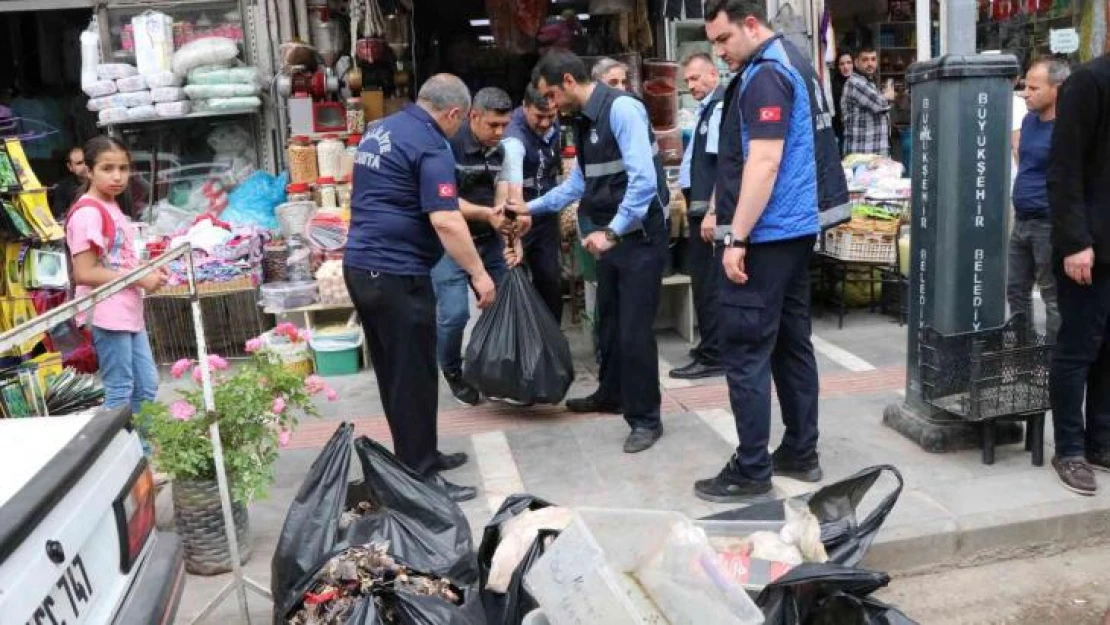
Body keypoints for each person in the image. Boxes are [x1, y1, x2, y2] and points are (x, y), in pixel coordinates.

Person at [344, 74, 495, 502]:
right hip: (395, 274)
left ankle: (417, 456)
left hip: (364, 268)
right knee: (412, 377)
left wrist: (482, 213)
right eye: (460, 121)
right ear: (453, 114)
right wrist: (480, 276)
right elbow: (445, 219)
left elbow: (428, 197)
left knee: (400, 374)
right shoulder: (432, 144)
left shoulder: (384, 130)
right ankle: (421, 477)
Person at [697, 0, 823, 503]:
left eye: (725, 39)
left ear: (751, 24)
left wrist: (738, 236)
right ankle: (800, 451)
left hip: (767, 236)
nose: (720, 51)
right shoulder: (791, 60)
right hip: (792, 232)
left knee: (746, 351)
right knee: (792, 344)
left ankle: (751, 468)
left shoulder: (766, 75)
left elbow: (764, 161)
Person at [527, 50, 670, 453]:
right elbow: (579, 186)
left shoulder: (622, 110)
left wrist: (612, 232)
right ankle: (611, 394)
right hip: (611, 238)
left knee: (634, 331)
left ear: (569, 83)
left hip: (637, 237)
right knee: (607, 322)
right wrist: (530, 208)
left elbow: (643, 182)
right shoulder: (583, 120)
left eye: (552, 95)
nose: (550, 104)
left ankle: (646, 419)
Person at [66, 136, 169, 448]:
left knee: (147, 386)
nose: (117, 176)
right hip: (106, 312)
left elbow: (119, 257)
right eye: (107, 168)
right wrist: (140, 279)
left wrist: (148, 271)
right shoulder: (87, 213)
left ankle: (141, 458)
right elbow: (85, 272)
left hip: (127, 310)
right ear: (89, 171)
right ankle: (120, 463)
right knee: (120, 390)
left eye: (123, 168)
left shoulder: (110, 206)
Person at [433, 87, 529, 406]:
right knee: (454, 315)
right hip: (449, 242)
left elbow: (502, 198)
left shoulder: (500, 151)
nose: (500, 133)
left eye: (505, 125)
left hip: (488, 240)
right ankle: (452, 371)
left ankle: (491, 368)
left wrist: (510, 236)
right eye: (493, 125)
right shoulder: (447, 145)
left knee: (504, 304)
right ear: (473, 116)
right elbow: (444, 202)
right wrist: (487, 214)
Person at [1046, 52, 1110, 496]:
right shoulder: (1088, 82)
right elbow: (1064, 170)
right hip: (1087, 248)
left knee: (1109, 351)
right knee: (1077, 350)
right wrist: (1075, 243)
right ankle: (1069, 448)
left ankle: (1100, 442)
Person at [670, 52, 726, 380]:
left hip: (708, 210)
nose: (690, 85)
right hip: (699, 205)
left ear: (712, 75)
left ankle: (714, 354)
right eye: (687, 80)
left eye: (694, 78)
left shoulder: (718, 110)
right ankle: (710, 346)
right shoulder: (706, 110)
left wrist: (713, 212)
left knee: (708, 285)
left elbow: (724, 166)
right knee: (703, 280)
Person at [1008, 58, 1068, 344]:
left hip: (1048, 222)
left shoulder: (1068, 127)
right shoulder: (1029, 120)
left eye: (1034, 88)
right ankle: (1024, 352)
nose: (1025, 92)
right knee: (1016, 289)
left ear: (1057, 89)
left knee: (1051, 293)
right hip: (1021, 219)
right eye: (1025, 86)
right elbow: (1024, 159)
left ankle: (1055, 359)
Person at [506, 84, 564, 320]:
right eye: (539, 116)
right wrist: (520, 211)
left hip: (546, 214)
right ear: (524, 106)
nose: (545, 123)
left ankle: (553, 339)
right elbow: (513, 180)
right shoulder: (513, 137)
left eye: (551, 116)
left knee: (549, 278)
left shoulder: (555, 125)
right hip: (517, 215)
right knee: (514, 279)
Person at [840, 46, 897, 156]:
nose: (870, 63)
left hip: (872, 154)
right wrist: (888, 95)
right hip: (862, 156)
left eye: (873, 59)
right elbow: (882, 104)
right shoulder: (855, 83)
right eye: (865, 60)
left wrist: (885, 96)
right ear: (856, 63)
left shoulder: (868, 83)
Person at [52, 145, 88, 219]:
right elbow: (60, 216)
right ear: (70, 167)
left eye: (87, 161)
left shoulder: (102, 183)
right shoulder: (62, 187)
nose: (85, 166)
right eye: (79, 163)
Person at [831, 51, 854, 147]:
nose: (846, 67)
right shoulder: (834, 85)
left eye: (849, 63)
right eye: (842, 64)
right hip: (840, 131)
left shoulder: (859, 82)